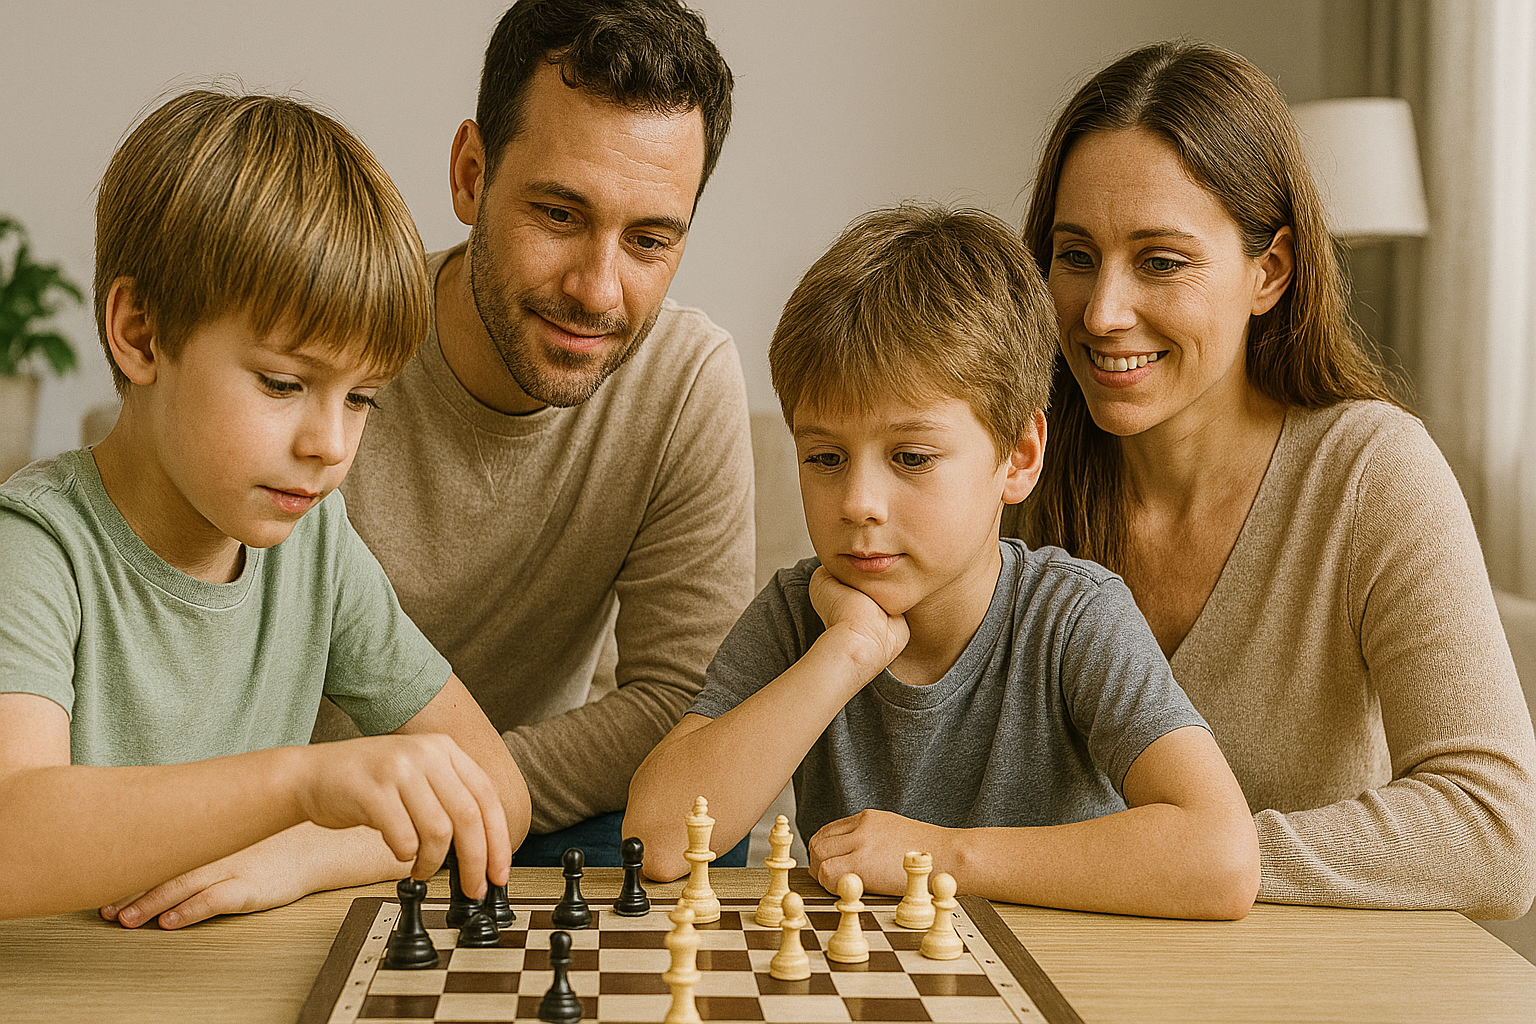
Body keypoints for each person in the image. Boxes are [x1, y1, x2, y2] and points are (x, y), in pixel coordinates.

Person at [1005, 40, 1536, 919]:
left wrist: (1196, 863)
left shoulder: (1371, 473)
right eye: (1075, 254)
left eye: (1161, 260)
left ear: (1271, 272)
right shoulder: (1011, 469)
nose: (1101, 312)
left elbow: (1496, 834)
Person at [626, 204, 1261, 921]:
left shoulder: (1074, 618)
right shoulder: (798, 615)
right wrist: (848, 652)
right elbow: (655, 841)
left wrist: (938, 856)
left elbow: (1222, 859)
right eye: (825, 458)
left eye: (912, 458)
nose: (859, 502)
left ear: (1018, 457)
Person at [0, 91, 531, 924]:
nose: (331, 443)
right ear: (139, 334)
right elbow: (10, 839)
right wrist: (300, 783)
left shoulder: (313, 545)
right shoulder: (35, 546)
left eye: (362, 399)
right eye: (285, 383)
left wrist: (301, 854)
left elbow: (497, 791)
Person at [313, 0, 754, 867]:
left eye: (650, 241)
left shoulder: (685, 378)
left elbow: (684, 703)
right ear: (471, 176)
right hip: (299, 809)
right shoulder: (329, 347)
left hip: (507, 816)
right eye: (558, 215)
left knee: (707, 843)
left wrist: (451, 802)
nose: (598, 289)